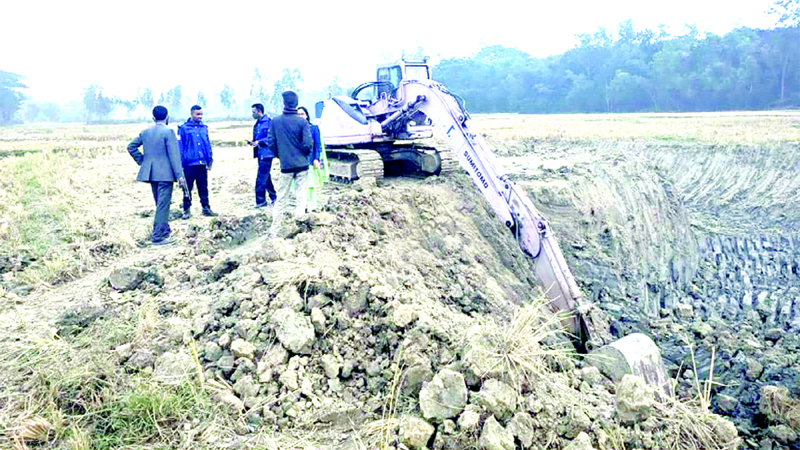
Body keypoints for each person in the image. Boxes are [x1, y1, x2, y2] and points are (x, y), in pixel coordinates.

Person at [127, 105, 188, 246]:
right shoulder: (169, 132)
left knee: (160, 204)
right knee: (162, 205)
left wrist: (143, 162)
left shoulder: (145, 132)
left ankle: (164, 230)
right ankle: (158, 237)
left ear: (153, 118)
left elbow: (131, 147)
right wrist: (180, 176)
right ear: (168, 117)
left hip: (151, 174)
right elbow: (174, 156)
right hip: (166, 175)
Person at [267, 91, 312, 238]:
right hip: (302, 165)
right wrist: (302, 154)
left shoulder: (275, 122)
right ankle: (299, 226)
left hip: (285, 166)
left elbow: (271, 143)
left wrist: (281, 155)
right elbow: (307, 144)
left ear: (284, 103)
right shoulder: (302, 122)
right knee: (301, 196)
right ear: (296, 104)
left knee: (281, 198)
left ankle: (274, 230)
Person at [178, 105, 217, 219]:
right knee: (187, 188)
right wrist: (181, 165)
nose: (200, 116)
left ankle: (206, 208)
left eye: (201, 114)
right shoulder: (184, 128)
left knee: (203, 187)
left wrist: (209, 160)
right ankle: (186, 209)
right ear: (191, 114)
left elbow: (207, 144)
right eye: (197, 114)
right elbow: (180, 147)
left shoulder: (204, 128)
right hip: (189, 164)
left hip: (202, 164)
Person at [297, 106, 328, 212]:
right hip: (298, 163)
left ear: (307, 115)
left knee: (311, 186)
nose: (300, 116)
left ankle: (312, 208)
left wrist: (316, 159)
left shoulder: (313, 128)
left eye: (302, 114)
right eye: (298, 114)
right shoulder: (294, 130)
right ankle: (303, 207)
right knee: (300, 187)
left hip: (310, 162)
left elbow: (317, 145)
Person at [247, 103, 276, 208]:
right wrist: (254, 142)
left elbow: (271, 138)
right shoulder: (258, 123)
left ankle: (261, 201)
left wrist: (259, 142)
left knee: (261, 177)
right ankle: (274, 197)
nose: (252, 114)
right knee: (266, 176)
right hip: (260, 153)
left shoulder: (269, 122)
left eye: (253, 112)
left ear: (259, 111)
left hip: (267, 153)